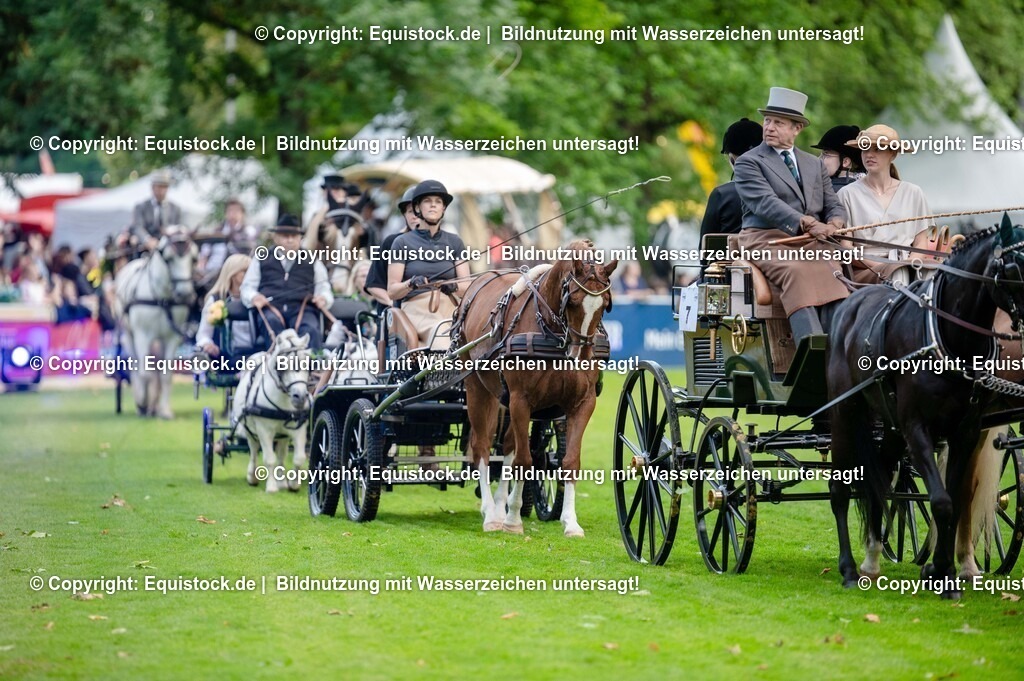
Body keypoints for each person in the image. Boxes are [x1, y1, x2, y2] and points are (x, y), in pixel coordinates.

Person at [733, 87, 849, 345]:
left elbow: (833, 203)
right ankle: (811, 347)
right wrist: (808, 223)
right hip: (766, 240)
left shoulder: (813, 163)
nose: (769, 127)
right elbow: (766, 203)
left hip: (812, 241)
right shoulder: (748, 162)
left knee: (840, 269)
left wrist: (835, 223)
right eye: (767, 121)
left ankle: (841, 344)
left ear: (797, 129)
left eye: (778, 123)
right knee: (797, 271)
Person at [838, 124, 932, 286]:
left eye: (878, 149)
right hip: (866, 271)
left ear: (893, 154)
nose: (869, 154)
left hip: (909, 266)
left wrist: (910, 263)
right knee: (898, 274)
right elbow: (846, 249)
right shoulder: (847, 194)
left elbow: (920, 243)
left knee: (938, 278)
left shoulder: (914, 192)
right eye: (865, 148)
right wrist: (887, 267)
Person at [387, 180, 470, 351]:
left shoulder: (455, 242)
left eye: (438, 202)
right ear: (417, 208)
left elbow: (467, 287)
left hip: (451, 306)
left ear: (444, 208)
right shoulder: (401, 242)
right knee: (441, 333)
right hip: (416, 308)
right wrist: (410, 284)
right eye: (427, 201)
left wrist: (453, 287)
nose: (433, 205)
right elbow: (392, 291)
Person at [241, 214, 333, 351]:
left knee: (311, 329)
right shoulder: (261, 258)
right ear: (276, 238)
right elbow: (247, 287)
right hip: (271, 309)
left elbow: (324, 288)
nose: (290, 240)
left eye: (294, 236)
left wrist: (323, 298)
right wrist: (254, 297)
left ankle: (314, 369)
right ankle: (278, 368)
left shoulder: (313, 261)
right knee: (271, 324)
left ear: (300, 238)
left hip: (302, 309)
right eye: (285, 236)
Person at [698, 117, 763, 270]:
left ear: (732, 158)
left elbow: (705, 253)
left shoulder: (721, 194)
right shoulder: (785, 189)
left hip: (731, 276)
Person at [364, 186, 417, 312]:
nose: (415, 216)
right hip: (395, 316)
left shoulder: (444, 244)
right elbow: (373, 284)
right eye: (410, 211)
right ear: (404, 214)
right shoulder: (391, 242)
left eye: (419, 211)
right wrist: (393, 305)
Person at [196, 254, 254, 361]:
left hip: (255, 357)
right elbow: (203, 334)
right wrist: (208, 345)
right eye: (244, 271)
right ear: (232, 273)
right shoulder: (216, 300)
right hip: (225, 358)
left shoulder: (256, 299)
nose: (250, 275)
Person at [198, 198, 258, 275]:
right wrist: (201, 268)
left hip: (236, 273)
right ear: (225, 213)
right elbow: (204, 255)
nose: (232, 214)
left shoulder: (248, 232)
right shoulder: (217, 232)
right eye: (230, 211)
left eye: (236, 211)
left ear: (242, 214)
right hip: (211, 274)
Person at [131, 170, 182, 251]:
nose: (161, 190)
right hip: (145, 249)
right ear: (152, 187)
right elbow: (137, 227)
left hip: (169, 249)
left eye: (164, 187)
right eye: (159, 186)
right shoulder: (141, 207)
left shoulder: (175, 209)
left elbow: (179, 228)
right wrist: (147, 240)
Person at [811, 125, 865, 192]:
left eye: (826, 154)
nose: (819, 159)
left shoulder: (830, 191)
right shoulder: (865, 189)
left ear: (845, 162)